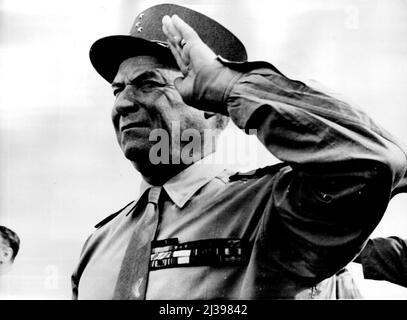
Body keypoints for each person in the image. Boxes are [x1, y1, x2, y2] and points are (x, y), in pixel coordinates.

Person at [71, 4, 407, 299]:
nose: (123, 103)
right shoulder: (97, 247)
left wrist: (230, 86)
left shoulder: (271, 213)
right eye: (117, 90)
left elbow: (371, 161)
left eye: (149, 84)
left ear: (209, 106)